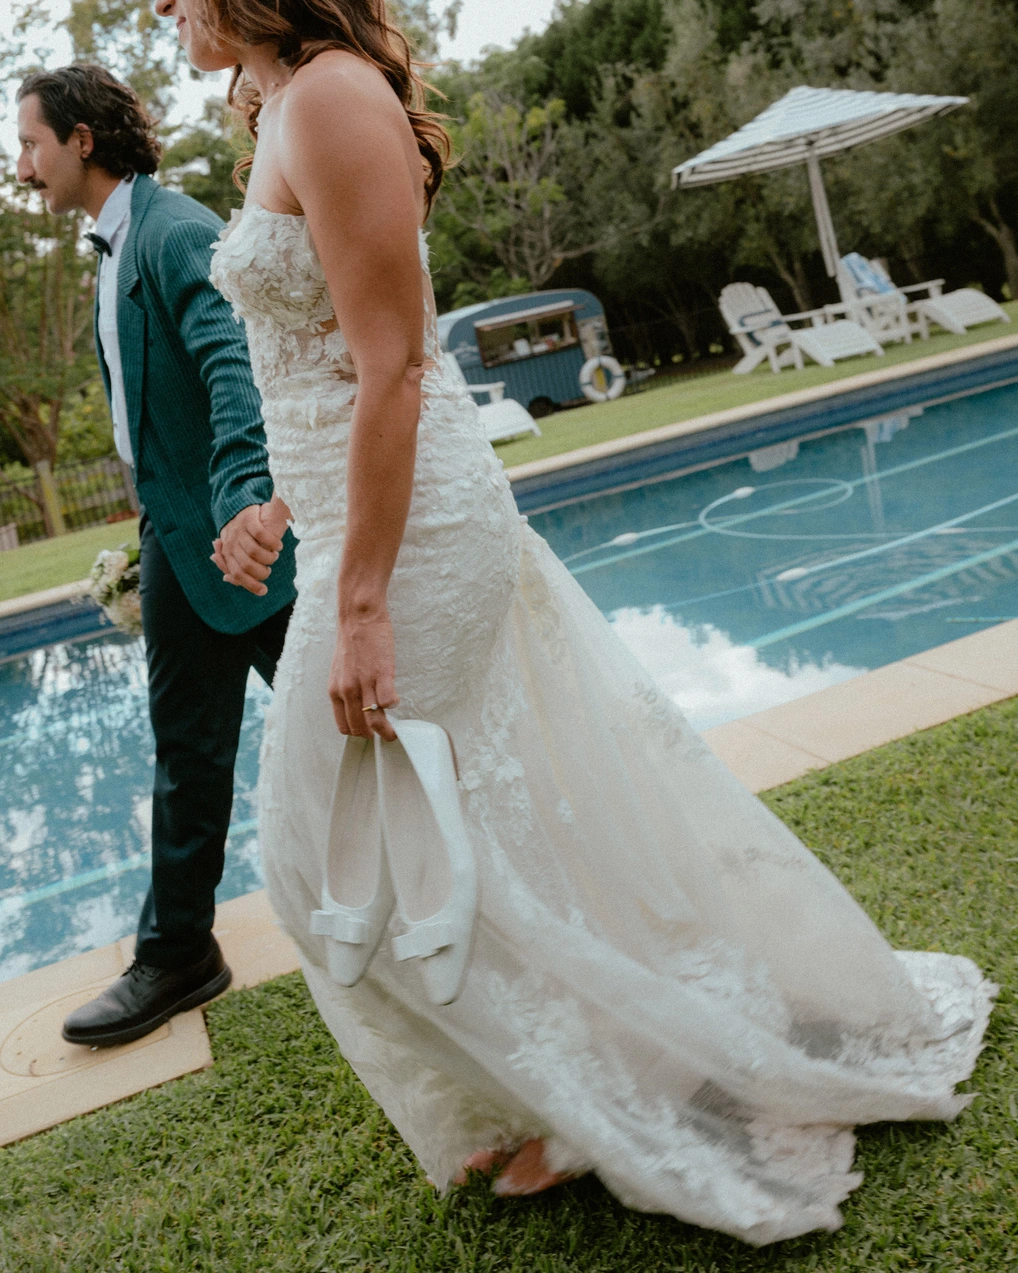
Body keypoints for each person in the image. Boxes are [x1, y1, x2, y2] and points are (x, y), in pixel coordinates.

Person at [159, 0, 995, 1245]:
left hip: (418, 537)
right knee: (454, 822)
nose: (163, 8)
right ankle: (566, 1080)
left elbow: (397, 364)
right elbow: (328, 364)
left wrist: (365, 598)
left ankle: (608, 1086)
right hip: (354, 514)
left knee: (329, 842)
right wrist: (283, 501)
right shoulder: (285, 100)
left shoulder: (332, 93)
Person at [16, 65, 298, 1047]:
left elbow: (231, 365)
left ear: (82, 140)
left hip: (230, 541)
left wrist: (233, 502)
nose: (22, 168)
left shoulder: (173, 230)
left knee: (319, 729)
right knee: (211, 741)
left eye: (31, 145)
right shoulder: (116, 244)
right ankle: (180, 948)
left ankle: (180, 950)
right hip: (177, 534)